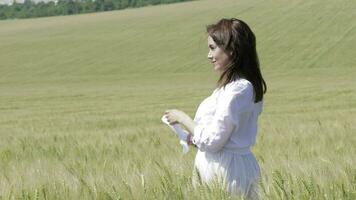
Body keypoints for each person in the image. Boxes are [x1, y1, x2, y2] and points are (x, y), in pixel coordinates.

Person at [164, 18, 267, 199]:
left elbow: (213, 141)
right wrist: (195, 139)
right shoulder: (234, 87)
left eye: (213, 48)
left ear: (233, 49)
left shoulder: (238, 90)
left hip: (226, 173)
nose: (208, 55)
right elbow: (222, 136)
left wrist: (182, 118)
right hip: (226, 168)